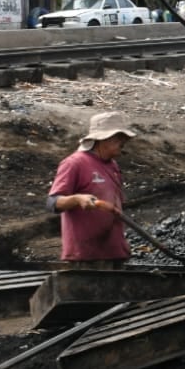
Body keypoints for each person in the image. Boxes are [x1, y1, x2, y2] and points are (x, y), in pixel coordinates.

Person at [48, 110, 138, 267]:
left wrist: (121, 244)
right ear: (102, 139)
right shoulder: (75, 163)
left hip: (113, 253)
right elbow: (52, 202)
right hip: (87, 257)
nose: (123, 143)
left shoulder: (113, 165)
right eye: (119, 138)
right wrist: (77, 199)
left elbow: (116, 208)